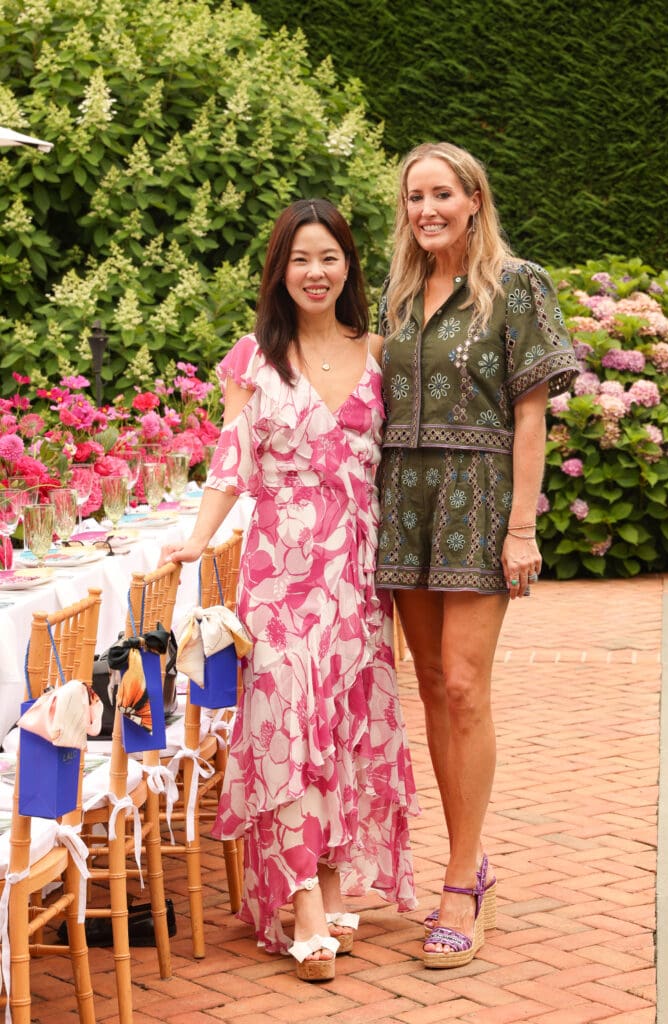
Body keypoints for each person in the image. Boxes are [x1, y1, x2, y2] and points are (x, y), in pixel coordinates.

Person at [161, 198, 417, 981]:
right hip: (279, 576)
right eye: (300, 259)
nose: (315, 272)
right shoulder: (254, 360)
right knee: (284, 727)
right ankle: (303, 901)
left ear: (348, 266)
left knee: (340, 732)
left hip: (358, 580)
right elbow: (229, 463)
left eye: (328, 257)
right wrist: (199, 539)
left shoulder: (380, 353)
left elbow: (405, 470)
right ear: (280, 271)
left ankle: (332, 881)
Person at [376, 142, 579, 968]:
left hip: (477, 499)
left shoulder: (516, 284)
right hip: (400, 504)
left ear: (472, 199)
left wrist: (521, 525)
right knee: (427, 683)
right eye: (414, 198)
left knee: (464, 684)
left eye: (441, 195)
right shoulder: (393, 294)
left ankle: (462, 880)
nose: (427, 210)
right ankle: (466, 862)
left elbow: (530, 415)